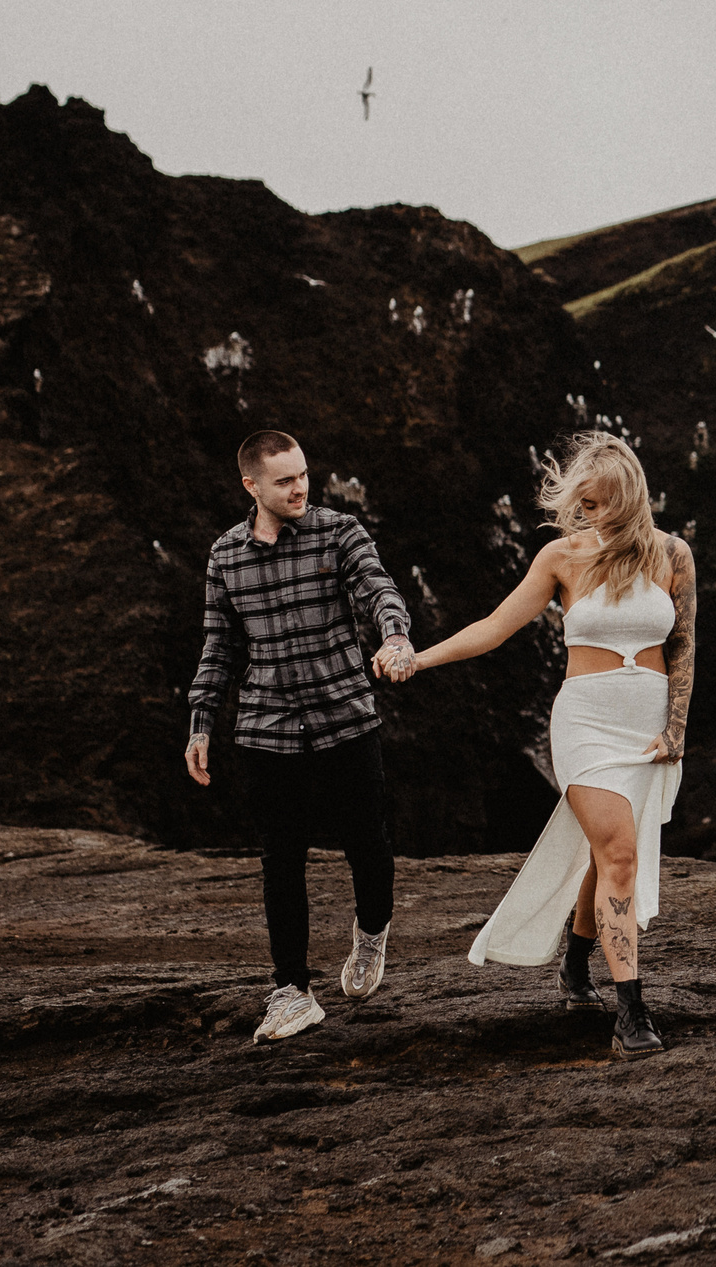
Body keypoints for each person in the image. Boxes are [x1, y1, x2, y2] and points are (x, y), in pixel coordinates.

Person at [389, 430, 696, 1058]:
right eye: (584, 503)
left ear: (630, 495)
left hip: (647, 728)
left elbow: (685, 644)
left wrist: (676, 729)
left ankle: (575, 964)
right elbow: (495, 626)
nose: (591, 514)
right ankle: (631, 1012)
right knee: (619, 852)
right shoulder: (561, 557)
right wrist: (420, 659)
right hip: (586, 723)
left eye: (602, 503)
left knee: (607, 855)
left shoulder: (673, 554)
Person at [184, 430, 416, 1043]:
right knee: (280, 860)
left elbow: (378, 588)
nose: (300, 488)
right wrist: (201, 721)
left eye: (303, 475)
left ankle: (372, 932)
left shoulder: (338, 532)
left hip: (344, 715)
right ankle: (292, 990)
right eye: (284, 480)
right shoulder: (225, 555)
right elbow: (219, 646)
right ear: (251, 486)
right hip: (266, 727)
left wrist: (395, 635)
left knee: (367, 842)